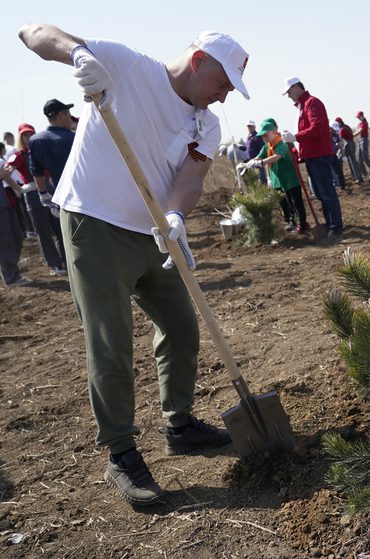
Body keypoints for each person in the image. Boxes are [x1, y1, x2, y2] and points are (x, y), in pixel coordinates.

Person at [20, 23, 249, 506]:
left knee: (182, 325)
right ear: (200, 60)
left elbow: (190, 177)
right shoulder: (125, 68)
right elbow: (31, 31)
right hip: (94, 223)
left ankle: (180, 424)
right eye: (224, 84)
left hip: (153, 232)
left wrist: (174, 215)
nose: (225, 97)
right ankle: (121, 453)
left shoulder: (206, 123)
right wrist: (79, 57)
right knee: (110, 338)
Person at [283, 76, 343, 242]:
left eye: (289, 92)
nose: (289, 96)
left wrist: (295, 137)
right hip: (312, 156)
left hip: (319, 155)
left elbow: (317, 128)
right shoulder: (303, 106)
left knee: (326, 192)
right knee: (320, 192)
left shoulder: (312, 103)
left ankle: (336, 228)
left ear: (295, 87)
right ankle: (330, 223)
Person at [6, 123, 67, 275]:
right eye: (25, 135)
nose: (28, 137)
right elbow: (5, 171)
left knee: (59, 228)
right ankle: (54, 265)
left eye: (30, 134)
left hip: (51, 191)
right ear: (20, 137)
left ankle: (66, 260)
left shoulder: (40, 149)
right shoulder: (19, 155)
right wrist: (18, 188)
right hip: (33, 195)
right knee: (44, 232)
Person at [29, 97, 79, 275]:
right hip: (81, 195)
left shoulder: (35, 140)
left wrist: (43, 195)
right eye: (68, 113)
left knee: (66, 235)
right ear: (63, 114)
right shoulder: (72, 138)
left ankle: (72, 268)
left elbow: (37, 171)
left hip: (58, 195)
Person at [246, 118, 308, 233]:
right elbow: (260, 156)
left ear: (274, 132)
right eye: (263, 136)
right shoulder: (268, 146)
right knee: (288, 203)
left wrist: (261, 162)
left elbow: (276, 157)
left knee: (296, 202)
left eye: (266, 135)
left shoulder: (282, 143)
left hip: (290, 178)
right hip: (281, 180)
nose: (264, 138)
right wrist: (248, 163)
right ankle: (294, 222)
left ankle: (303, 225)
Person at [336, 116, 363, 183]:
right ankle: (359, 177)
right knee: (354, 162)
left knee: (352, 163)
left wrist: (340, 150)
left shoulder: (342, 130)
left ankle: (357, 178)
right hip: (352, 143)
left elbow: (341, 141)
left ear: (339, 123)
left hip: (348, 145)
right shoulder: (346, 126)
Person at [353, 111, 370, 178]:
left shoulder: (364, 123)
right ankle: (365, 174)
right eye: (357, 117)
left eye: (359, 117)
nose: (358, 118)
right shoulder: (360, 123)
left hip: (364, 141)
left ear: (362, 116)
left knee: (365, 157)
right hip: (360, 141)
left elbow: (359, 131)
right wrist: (352, 135)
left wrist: (351, 136)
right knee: (360, 159)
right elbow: (356, 131)